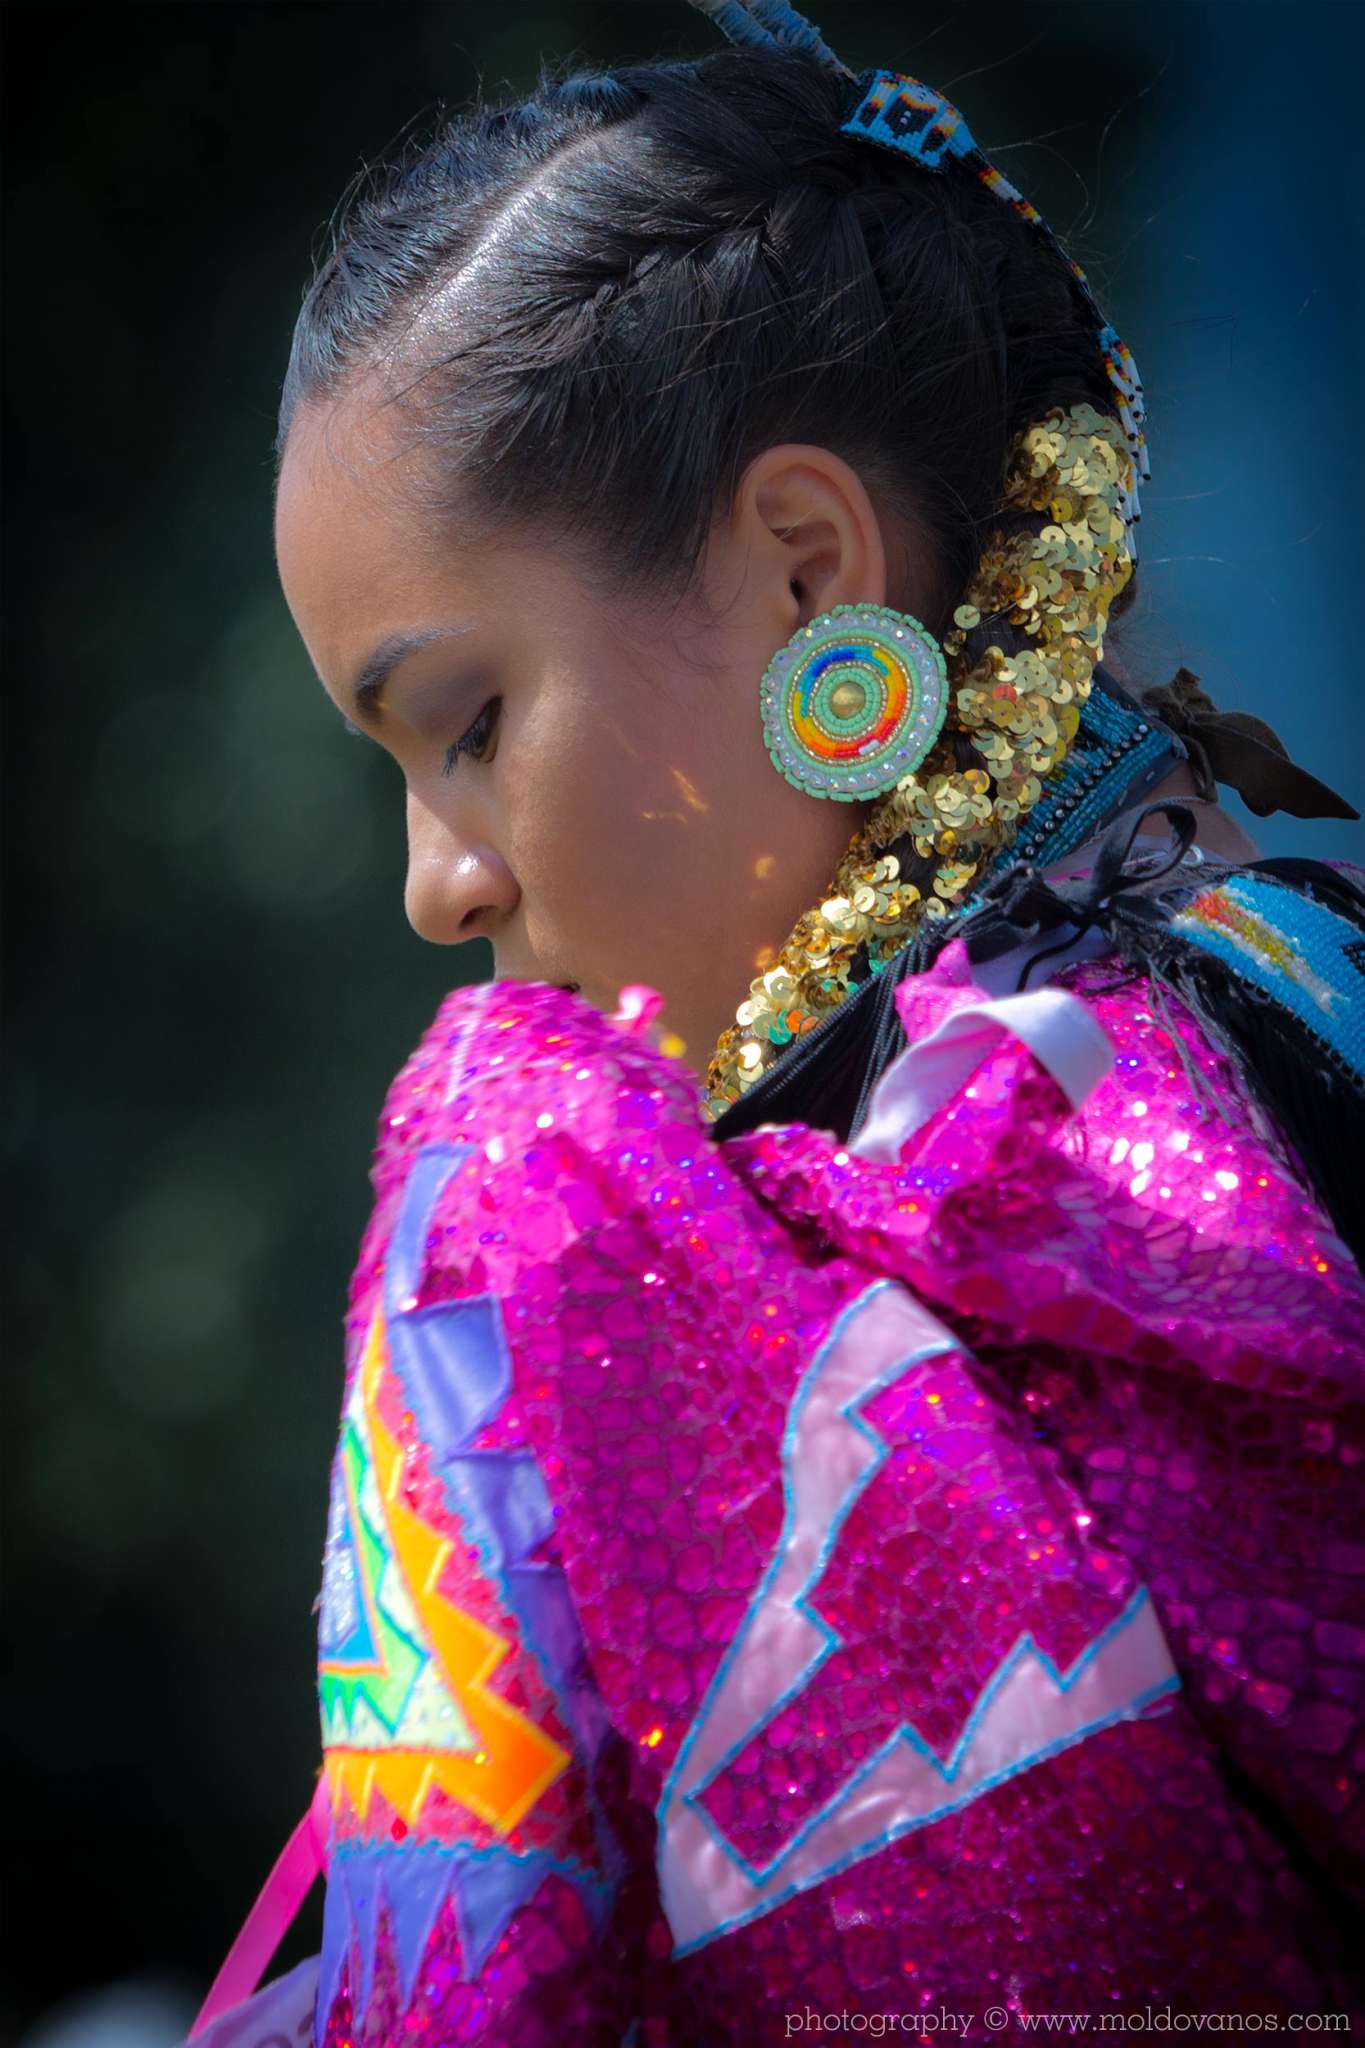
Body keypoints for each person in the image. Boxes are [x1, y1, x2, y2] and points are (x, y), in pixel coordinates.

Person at [193, 5, 1365, 2043]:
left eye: (466, 726)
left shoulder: (569, 1223)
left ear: (807, 573)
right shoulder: (1286, 1001)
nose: (436, 884)